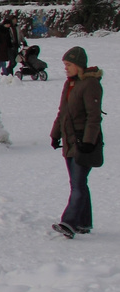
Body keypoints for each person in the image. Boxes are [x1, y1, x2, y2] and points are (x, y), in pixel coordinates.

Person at [49, 46, 103, 239]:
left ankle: (69, 222)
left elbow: (94, 116)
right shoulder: (69, 84)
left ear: (79, 65)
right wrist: (55, 134)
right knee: (78, 183)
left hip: (83, 143)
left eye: (69, 64)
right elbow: (62, 112)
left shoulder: (90, 84)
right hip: (70, 141)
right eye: (65, 65)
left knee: (78, 184)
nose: (66, 68)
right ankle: (84, 222)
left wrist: (88, 141)